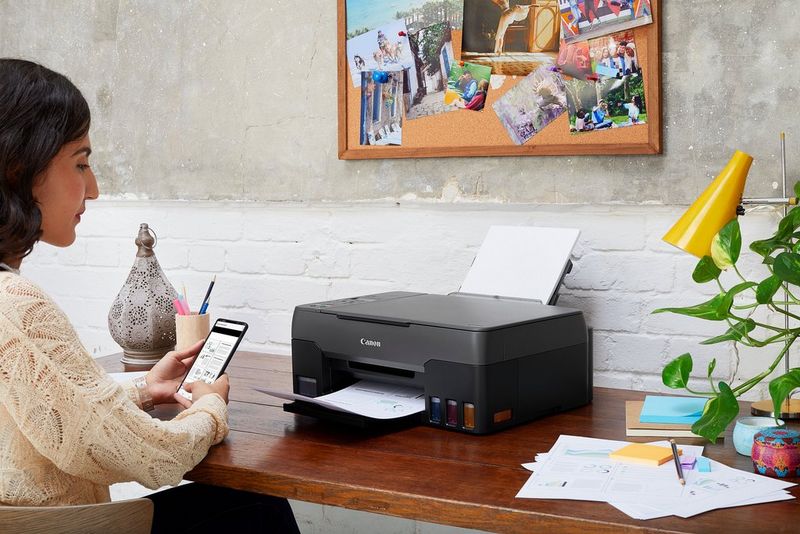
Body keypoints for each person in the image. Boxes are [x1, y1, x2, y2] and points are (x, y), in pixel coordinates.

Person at [0, 59, 299, 533]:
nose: (93, 190)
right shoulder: (16, 306)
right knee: (259, 506)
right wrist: (209, 406)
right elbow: (140, 453)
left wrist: (141, 389)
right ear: (20, 168)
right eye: (80, 163)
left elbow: (35, 407)